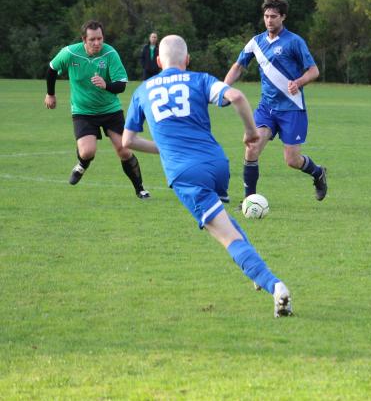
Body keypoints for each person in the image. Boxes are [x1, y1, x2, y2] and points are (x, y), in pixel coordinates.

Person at [122, 34, 293, 317]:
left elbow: (127, 141)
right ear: (187, 60)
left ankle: (275, 287)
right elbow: (236, 96)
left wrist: (166, 149)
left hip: (186, 173)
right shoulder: (198, 79)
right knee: (224, 221)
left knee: (226, 237)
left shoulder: (143, 91)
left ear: (157, 60)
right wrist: (251, 132)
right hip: (217, 164)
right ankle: (256, 272)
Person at [224, 0, 327, 204]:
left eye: (273, 16)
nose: (269, 20)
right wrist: (223, 89)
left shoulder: (295, 42)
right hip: (267, 108)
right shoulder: (256, 42)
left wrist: (299, 82)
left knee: (292, 160)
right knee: (252, 148)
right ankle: (249, 201)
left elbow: (314, 71)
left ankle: (318, 173)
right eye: (266, 16)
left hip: (292, 109)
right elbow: (238, 66)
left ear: (283, 17)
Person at [45, 20, 150, 199]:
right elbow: (52, 69)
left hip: (110, 110)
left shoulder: (110, 53)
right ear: (84, 40)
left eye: (100, 38)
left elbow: (121, 85)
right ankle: (82, 164)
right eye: (92, 39)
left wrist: (106, 85)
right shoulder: (69, 53)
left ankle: (140, 188)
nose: (97, 43)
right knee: (87, 152)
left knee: (124, 150)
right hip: (83, 112)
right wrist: (50, 94)